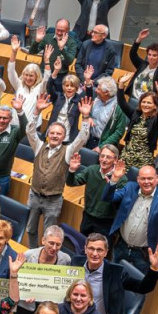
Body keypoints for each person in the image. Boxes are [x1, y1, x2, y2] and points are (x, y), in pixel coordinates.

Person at [71, 233, 158, 314]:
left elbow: (143, 288)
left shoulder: (116, 273)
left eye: (99, 250)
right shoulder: (75, 263)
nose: (94, 253)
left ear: (106, 252)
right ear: (85, 249)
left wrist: (154, 268)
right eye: (91, 248)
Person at [23, 99, 92, 246]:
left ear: (64, 137)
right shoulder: (39, 146)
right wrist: (37, 111)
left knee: (49, 235)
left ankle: (45, 260)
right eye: (52, 133)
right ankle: (34, 252)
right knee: (30, 229)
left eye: (58, 134)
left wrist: (85, 118)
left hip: (53, 201)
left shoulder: (67, 151)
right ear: (47, 134)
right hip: (34, 195)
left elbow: (82, 139)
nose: (54, 136)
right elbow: (29, 131)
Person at [103, 161, 158, 274]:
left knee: (137, 286)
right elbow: (107, 198)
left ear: (156, 179)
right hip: (121, 246)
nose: (146, 182)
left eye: (150, 178)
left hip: (143, 253)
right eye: (143, 179)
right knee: (113, 278)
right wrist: (114, 180)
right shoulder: (130, 187)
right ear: (138, 179)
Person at [18, 225, 72, 314]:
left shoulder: (66, 260)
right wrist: (24, 292)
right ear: (43, 240)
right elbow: (18, 279)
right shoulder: (28, 255)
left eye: (58, 245)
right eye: (51, 243)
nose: (54, 248)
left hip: (49, 309)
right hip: (26, 306)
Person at [66, 145, 126, 236]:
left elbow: (118, 201)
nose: (104, 160)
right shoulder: (91, 170)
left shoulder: (121, 179)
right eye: (102, 156)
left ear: (115, 160)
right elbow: (71, 183)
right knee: (83, 244)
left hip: (106, 222)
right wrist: (72, 170)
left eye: (108, 157)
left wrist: (113, 183)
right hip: (87, 217)